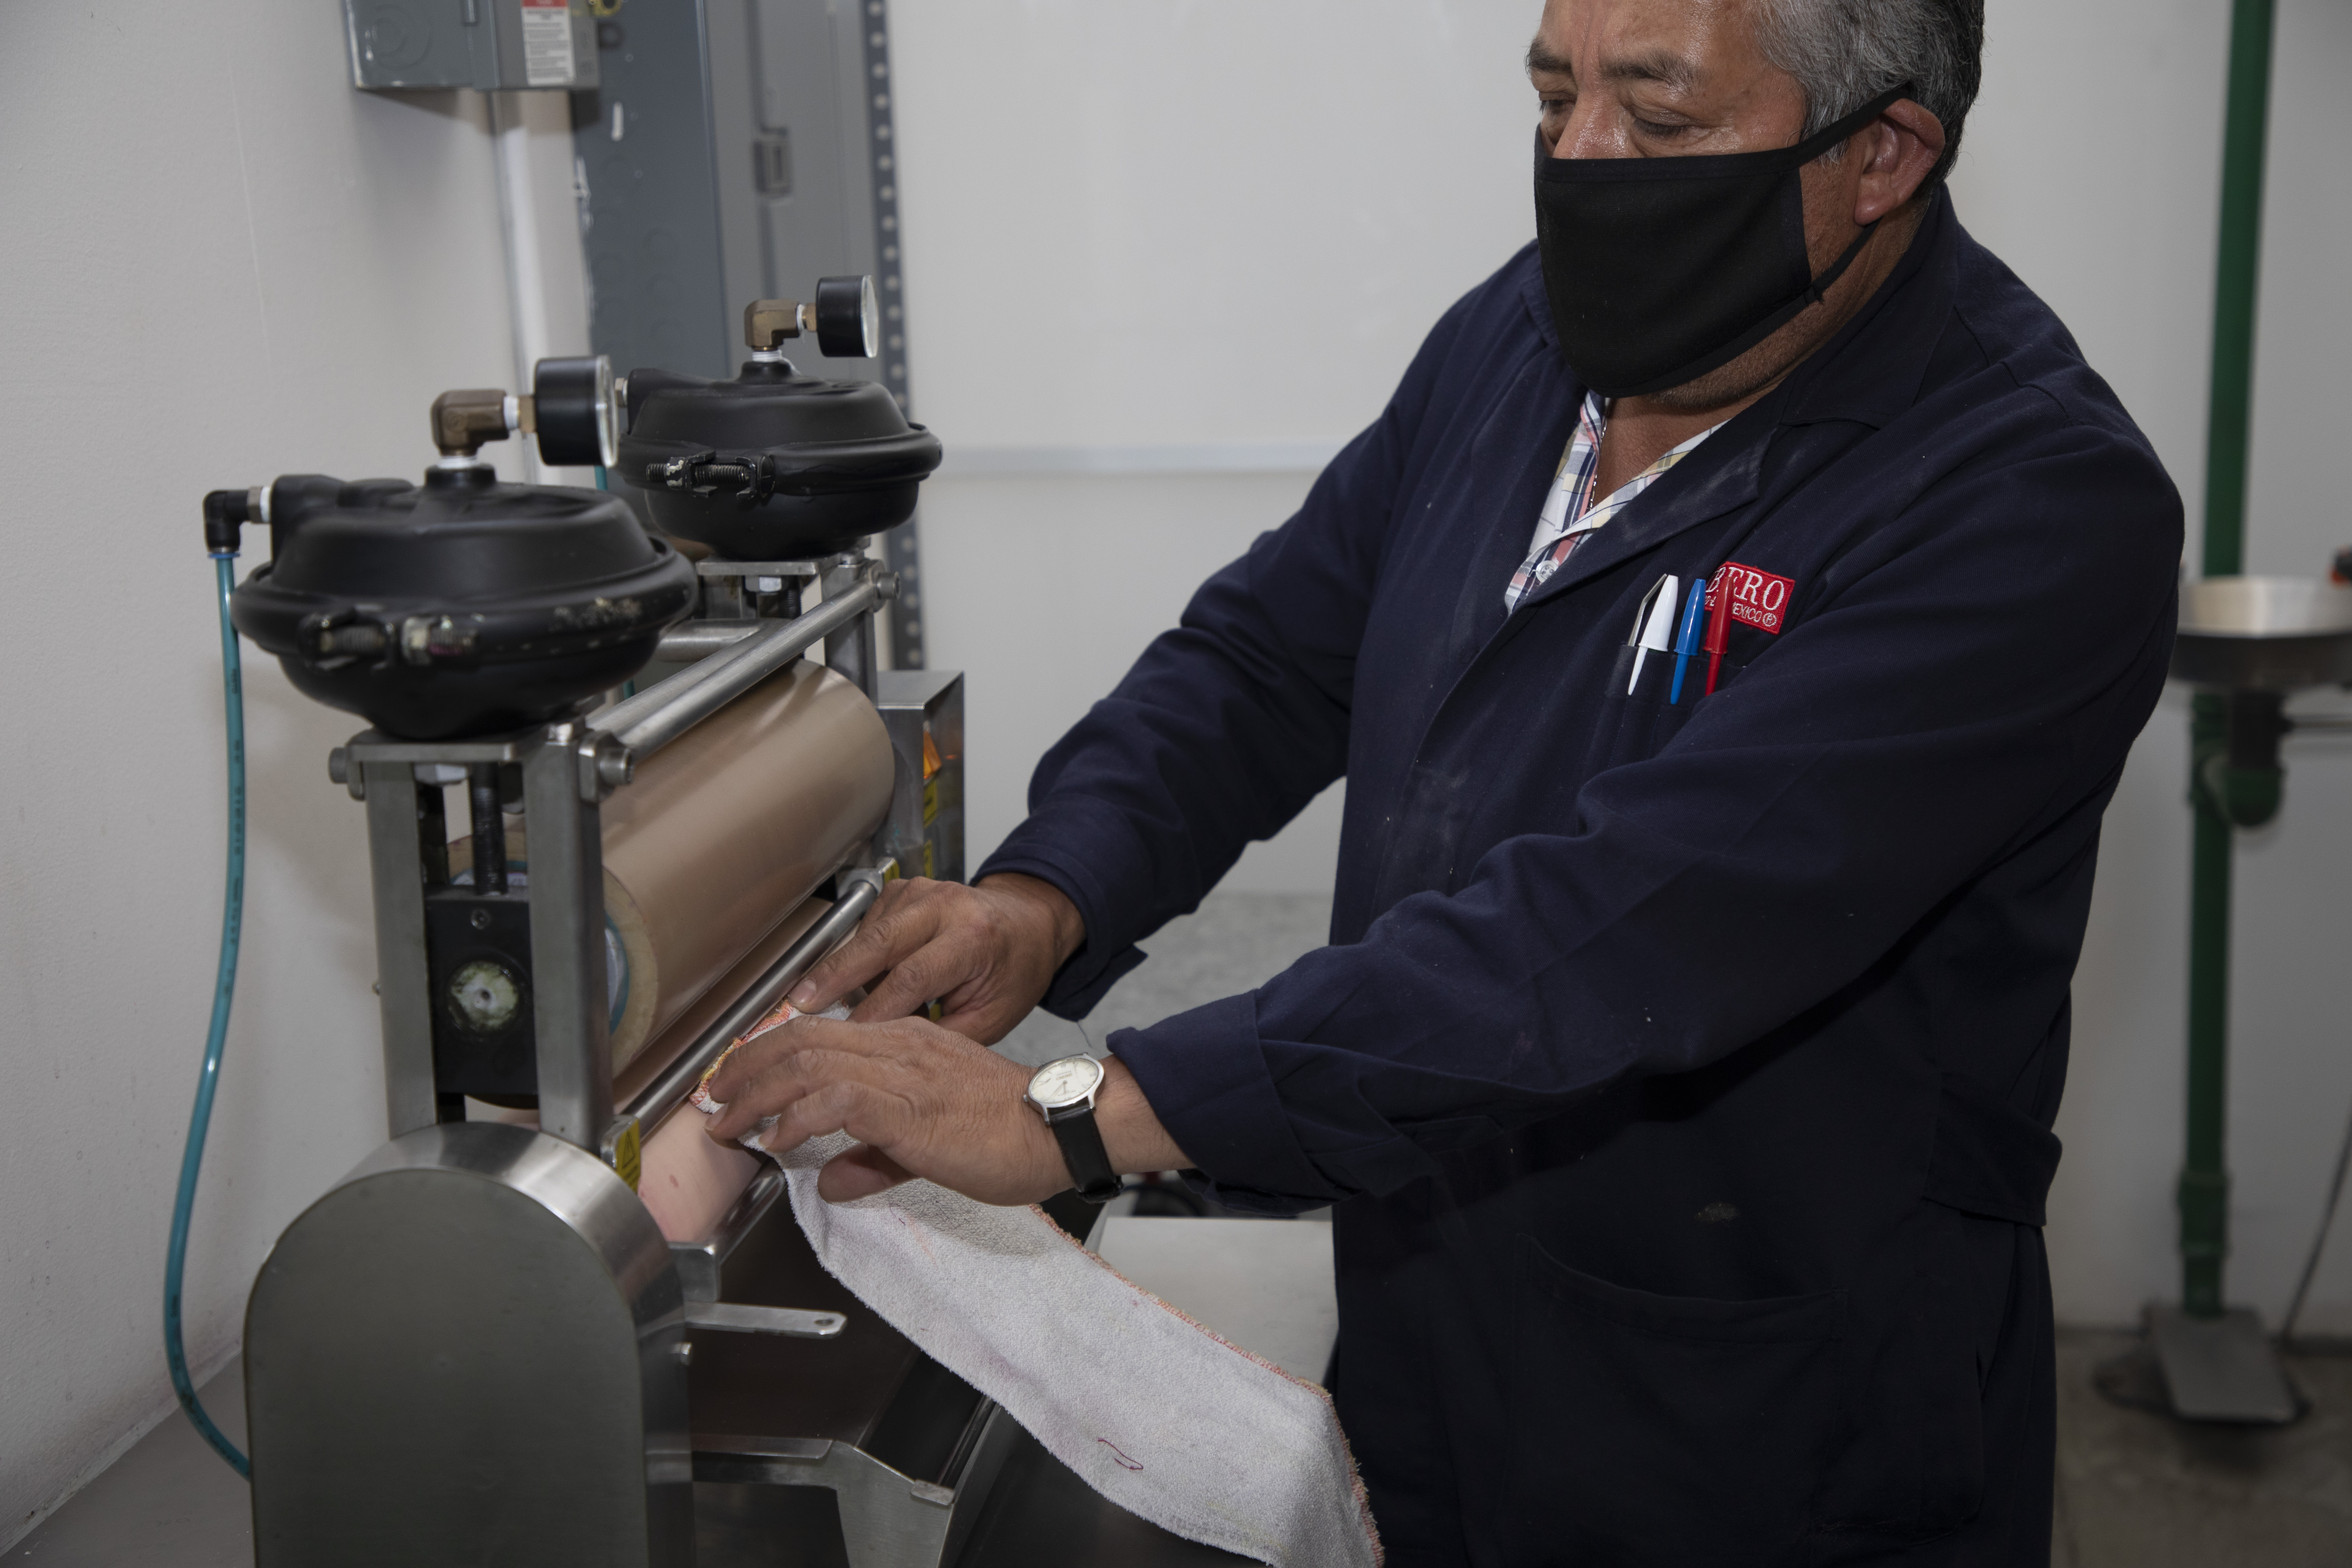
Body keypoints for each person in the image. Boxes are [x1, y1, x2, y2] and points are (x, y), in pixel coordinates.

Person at [703, 0, 2182, 1558]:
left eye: (1660, 121)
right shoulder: (1532, 339)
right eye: (1554, 100)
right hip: (1430, 1296)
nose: (1581, 162)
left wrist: (1085, 1113)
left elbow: (1625, 929)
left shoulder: (2026, 502)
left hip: (1766, 1408)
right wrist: (1048, 893)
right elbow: (1273, 655)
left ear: (1882, 153)